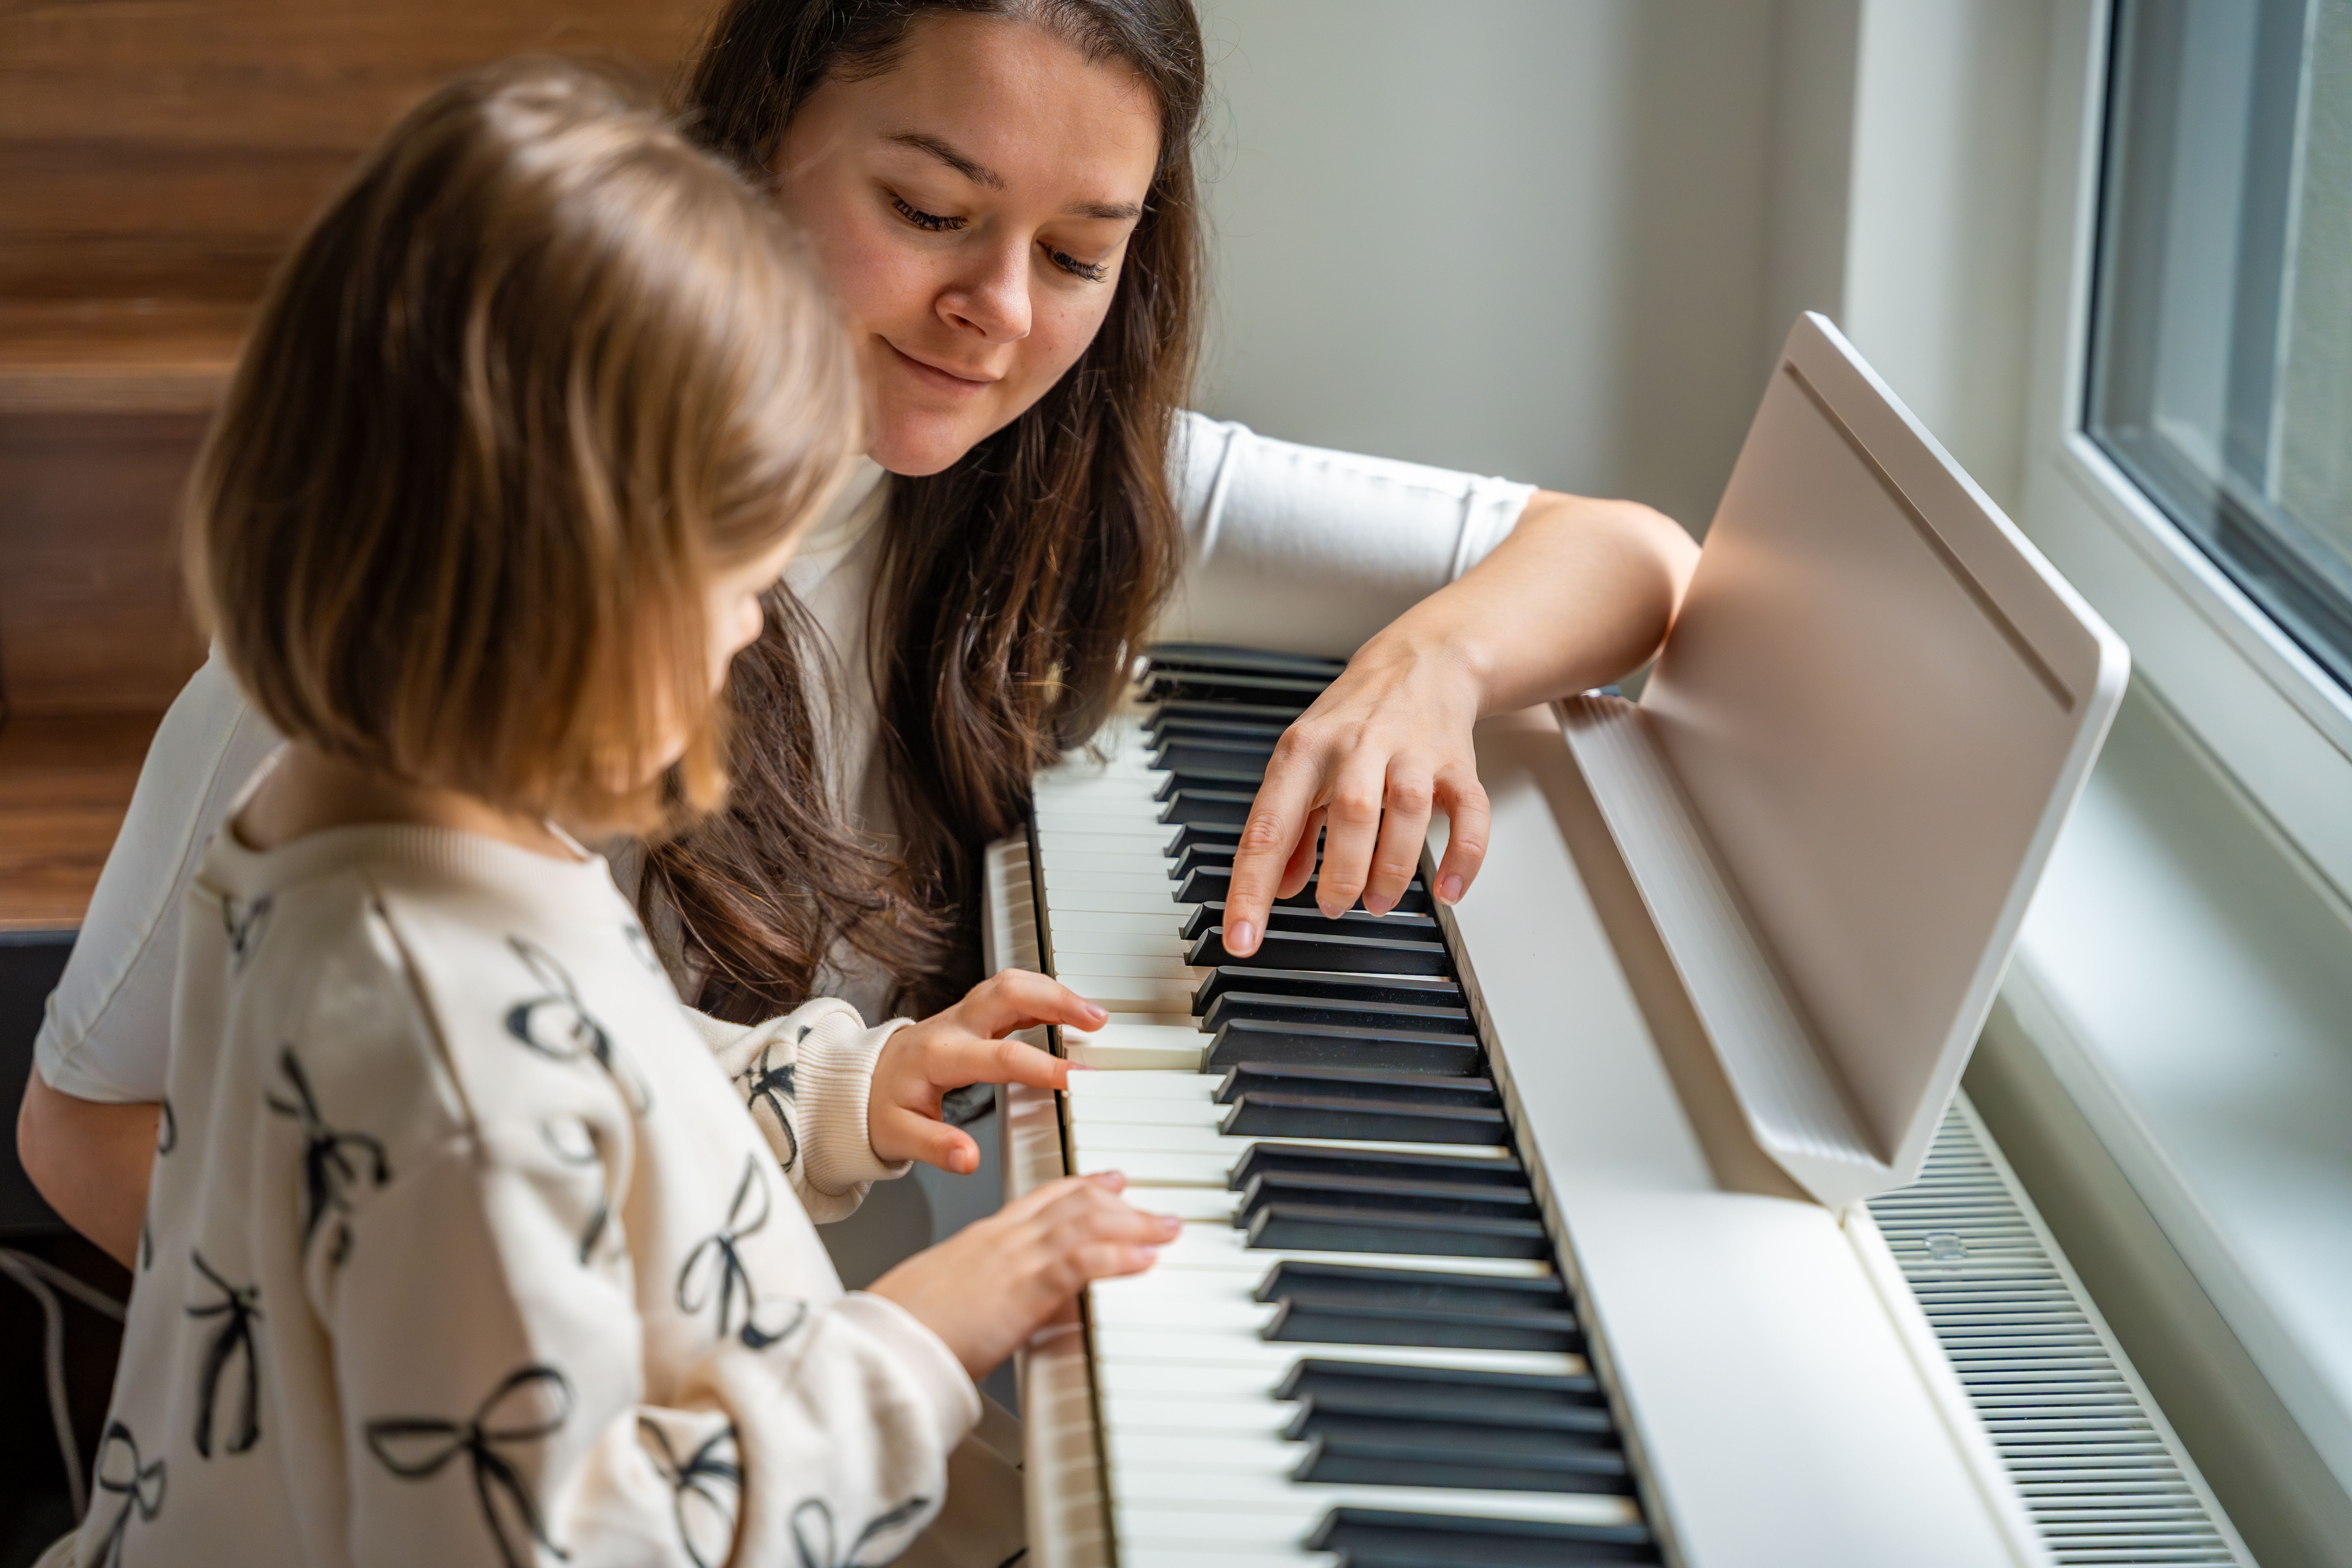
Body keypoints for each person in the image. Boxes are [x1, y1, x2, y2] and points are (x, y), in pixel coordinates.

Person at [21, 0, 1698, 1292]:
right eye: (928, 210)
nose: (1003, 314)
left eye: (1076, 255)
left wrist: (1439, 667)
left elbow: (1630, 558)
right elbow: (90, 1136)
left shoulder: (1064, 482)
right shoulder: (444, 615)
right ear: (755, 146)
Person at [47, 58, 1169, 1568]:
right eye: (733, 587)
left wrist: (841, 1089)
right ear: (556, 588)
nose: (755, 637)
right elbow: (573, 1540)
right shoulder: (444, 1045)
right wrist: (919, 1335)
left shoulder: (363, 828)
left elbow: (588, 1070)